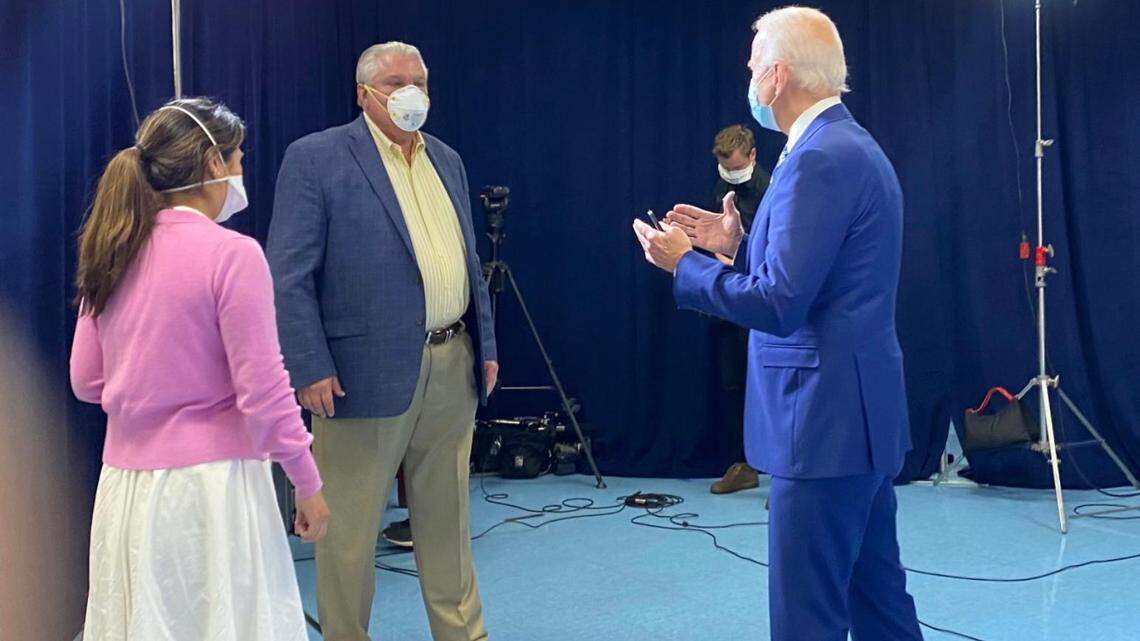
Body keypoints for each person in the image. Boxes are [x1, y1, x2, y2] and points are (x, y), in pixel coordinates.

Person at [633, 7, 923, 641]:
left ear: (779, 75)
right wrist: (735, 247)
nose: (748, 73)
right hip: (857, 423)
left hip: (820, 425)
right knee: (878, 603)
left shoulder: (819, 157)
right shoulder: (843, 144)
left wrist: (685, 266)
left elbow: (779, 304)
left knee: (807, 617)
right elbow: (819, 277)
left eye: (753, 62)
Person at [70, 97, 330, 641]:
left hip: (124, 493)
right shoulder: (231, 254)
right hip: (211, 488)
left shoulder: (110, 250)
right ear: (214, 162)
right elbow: (263, 391)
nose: (240, 171)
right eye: (239, 158)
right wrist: (306, 482)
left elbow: (87, 381)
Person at [267, 42, 498, 641]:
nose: (410, 92)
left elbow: (468, 262)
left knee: (447, 521)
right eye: (396, 81)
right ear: (364, 92)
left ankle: (463, 634)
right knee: (346, 528)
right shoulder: (316, 158)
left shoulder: (446, 158)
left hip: (454, 361)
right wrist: (308, 364)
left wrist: (487, 345)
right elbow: (288, 275)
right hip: (357, 372)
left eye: (419, 80)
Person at [708, 125, 769, 495]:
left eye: (736, 168)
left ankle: (785, 478)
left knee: (770, 387)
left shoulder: (771, 191)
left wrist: (738, 260)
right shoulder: (721, 187)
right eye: (724, 168)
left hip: (762, 298)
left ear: (752, 156)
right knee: (734, 384)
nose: (731, 175)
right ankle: (743, 464)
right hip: (729, 299)